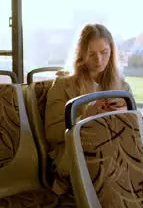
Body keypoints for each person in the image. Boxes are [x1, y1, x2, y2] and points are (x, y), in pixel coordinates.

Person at [45, 24, 131, 195]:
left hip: (112, 149)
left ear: (112, 52)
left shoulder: (122, 87)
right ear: (81, 54)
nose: (99, 60)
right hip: (73, 151)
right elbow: (52, 133)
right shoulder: (63, 85)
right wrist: (83, 117)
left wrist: (125, 116)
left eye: (104, 52)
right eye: (92, 54)